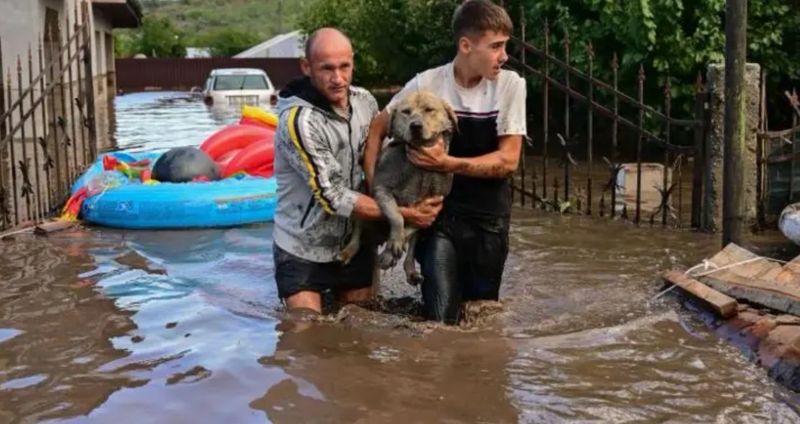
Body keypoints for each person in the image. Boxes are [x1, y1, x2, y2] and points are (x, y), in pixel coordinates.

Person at [364, 0, 527, 324]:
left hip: (489, 219)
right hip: (439, 217)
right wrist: (377, 195)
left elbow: (508, 161)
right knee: (440, 321)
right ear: (466, 45)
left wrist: (446, 163)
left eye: (504, 46)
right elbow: (376, 130)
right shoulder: (427, 84)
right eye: (496, 46)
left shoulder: (511, 85)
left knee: (482, 318)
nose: (504, 56)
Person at [272, 28, 443, 314]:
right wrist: (406, 215)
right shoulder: (299, 122)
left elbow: (386, 153)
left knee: (360, 329)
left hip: (356, 239)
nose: (338, 78)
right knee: (303, 336)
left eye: (344, 67)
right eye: (327, 69)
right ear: (306, 67)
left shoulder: (364, 101)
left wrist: (436, 156)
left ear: (353, 62)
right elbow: (334, 196)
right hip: (303, 248)